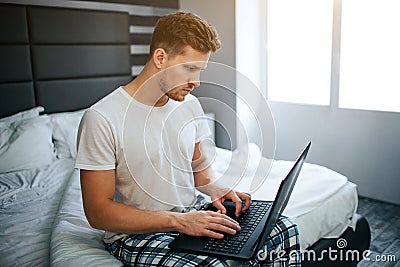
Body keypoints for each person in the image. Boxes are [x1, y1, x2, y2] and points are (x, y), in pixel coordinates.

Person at [75, 11, 301, 266]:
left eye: (200, 70)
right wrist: (178, 222)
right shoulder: (102, 117)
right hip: (137, 235)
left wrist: (215, 188)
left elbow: (199, 171)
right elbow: (97, 213)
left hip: (190, 215)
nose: (197, 81)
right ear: (160, 57)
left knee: (283, 228)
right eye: (190, 69)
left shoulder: (190, 106)